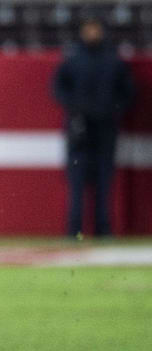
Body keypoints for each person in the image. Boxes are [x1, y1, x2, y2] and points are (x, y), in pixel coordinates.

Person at [52, 17, 135, 238]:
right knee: (77, 181)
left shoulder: (113, 60)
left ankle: (103, 229)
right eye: (88, 28)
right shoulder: (73, 59)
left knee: (103, 181)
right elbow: (58, 88)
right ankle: (74, 230)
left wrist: (111, 109)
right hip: (78, 129)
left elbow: (127, 92)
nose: (92, 33)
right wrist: (75, 108)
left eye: (95, 28)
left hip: (105, 128)